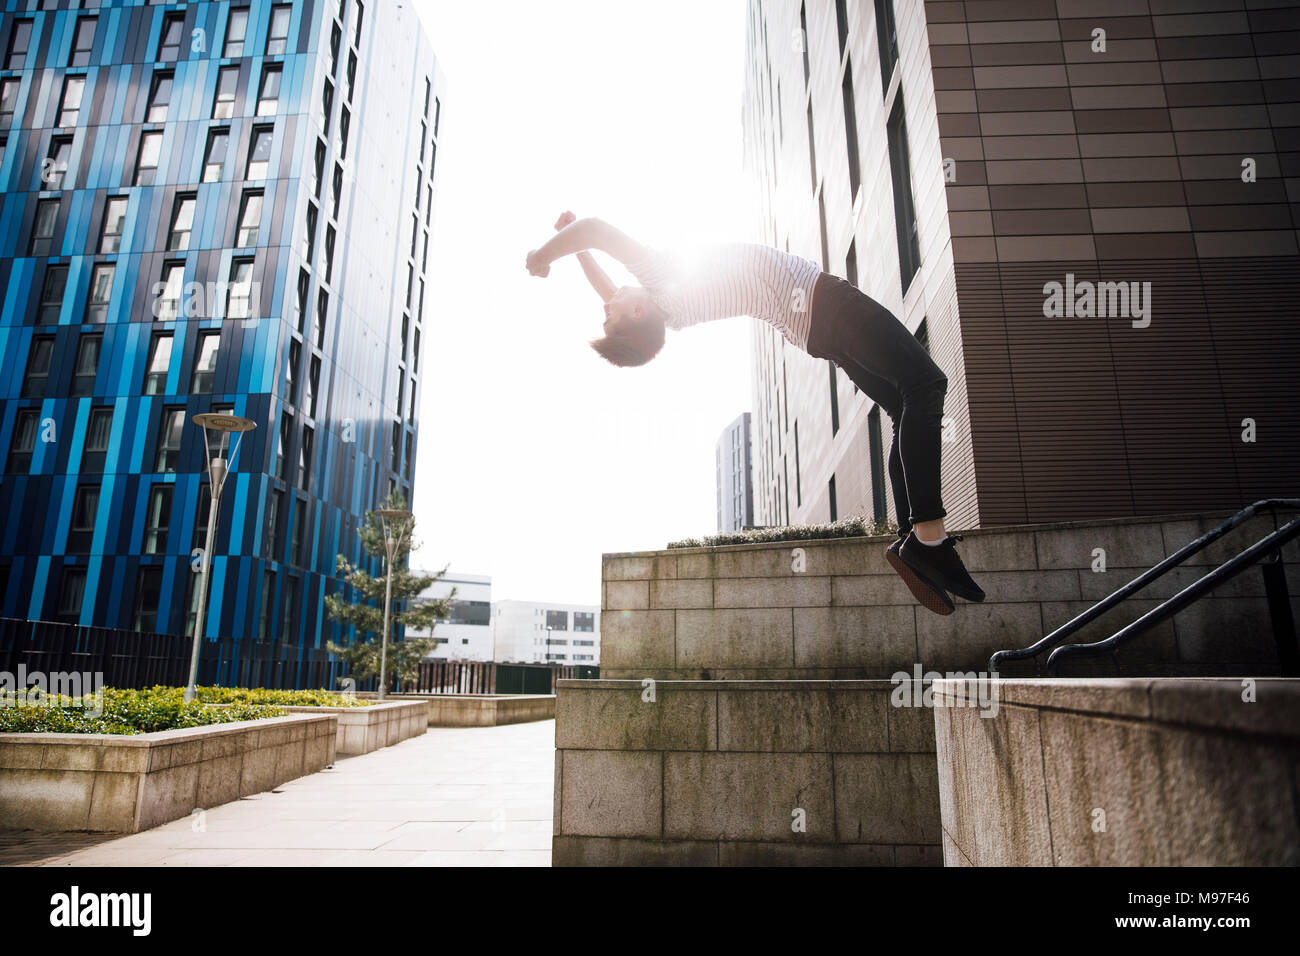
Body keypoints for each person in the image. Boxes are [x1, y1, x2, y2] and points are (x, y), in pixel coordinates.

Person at [526, 212, 984, 615]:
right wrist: (544, 254)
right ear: (638, 310)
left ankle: (912, 537)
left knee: (902, 405)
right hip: (826, 303)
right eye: (610, 315)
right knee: (925, 384)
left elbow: (605, 275)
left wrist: (573, 249)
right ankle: (929, 536)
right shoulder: (660, 274)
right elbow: (598, 230)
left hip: (813, 332)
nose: (605, 303)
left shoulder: (668, 309)